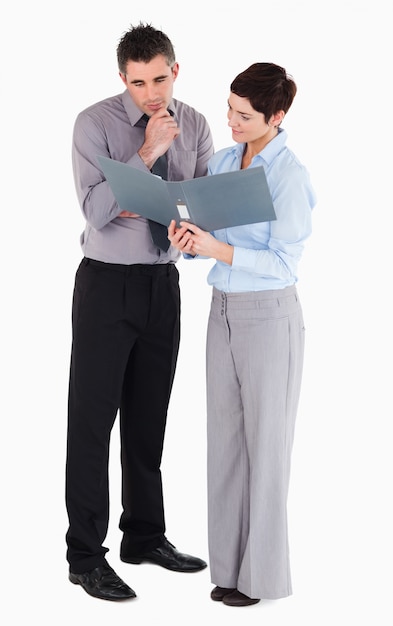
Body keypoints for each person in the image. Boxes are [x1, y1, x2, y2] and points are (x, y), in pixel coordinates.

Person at [65, 22, 214, 602]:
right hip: (105, 287)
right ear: (122, 79)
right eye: (138, 82)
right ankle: (84, 556)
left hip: (162, 283)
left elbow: (195, 205)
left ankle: (145, 536)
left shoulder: (197, 124)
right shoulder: (94, 124)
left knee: (149, 418)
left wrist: (178, 216)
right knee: (92, 422)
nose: (151, 94)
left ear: (175, 71)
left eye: (160, 79)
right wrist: (147, 152)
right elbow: (98, 209)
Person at [168, 62, 316, 607]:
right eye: (229, 108)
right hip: (222, 310)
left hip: (268, 316)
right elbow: (209, 234)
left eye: (244, 115)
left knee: (266, 449)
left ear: (276, 117)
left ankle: (263, 579)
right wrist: (187, 237)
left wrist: (219, 250)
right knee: (225, 444)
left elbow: (285, 263)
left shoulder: (289, 175)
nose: (230, 121)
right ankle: (229, 569)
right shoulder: (228, 160)